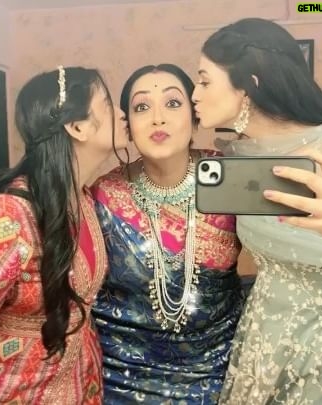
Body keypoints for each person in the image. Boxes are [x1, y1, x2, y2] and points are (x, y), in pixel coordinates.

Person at [191, 17, 322, 404]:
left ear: (249, 86)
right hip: (263, 339)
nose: (195, 94)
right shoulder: (242, 160)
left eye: (205, 81)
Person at [0, 66, 128, 404]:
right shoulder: (5, 217)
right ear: (77, 127)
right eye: (108, 104)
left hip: (78, 388)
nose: (121, 113)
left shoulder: (86, 202)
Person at [91, 63, 245, 404]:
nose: (157, 119)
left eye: (173, 103)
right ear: (128, 126)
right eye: (142, 107)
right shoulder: (106, 196)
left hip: (217, 372)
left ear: (195, 116)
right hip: (120, 377)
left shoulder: (228, 178)